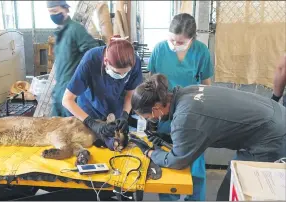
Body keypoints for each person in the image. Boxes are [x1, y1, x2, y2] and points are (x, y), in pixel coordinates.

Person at [129, 74, 286, 201]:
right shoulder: (188, 92)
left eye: (147, 116)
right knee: (230, 190)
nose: (148, 120)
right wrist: (168, 138)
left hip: (272, 137)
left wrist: (149, 152)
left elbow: (178, 161)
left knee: (235, 193)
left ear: (156, 109)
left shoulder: (185, 118)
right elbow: (202, 128)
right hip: (275, 115)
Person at [147, 13, 214, 201]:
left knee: (196, 166)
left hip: (193, 114)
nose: (174, 45)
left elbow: (207, 84)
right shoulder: (160, 49)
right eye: (171, 40)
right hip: (165, 114)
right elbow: (151, 83)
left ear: (192, 38)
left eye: (180, 42)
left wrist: (208, 113)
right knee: (168, 165)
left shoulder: (201, 51)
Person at [62, 37, 143, 150]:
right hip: (88, 113)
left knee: (118, 145)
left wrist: (125, 115)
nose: (121, 76)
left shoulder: (135, 62)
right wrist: (92, 123)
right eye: (116, 72)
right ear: (105, 61)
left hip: (116, 113)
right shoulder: (90, 60)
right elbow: (67, 100)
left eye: (125, 73)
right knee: (88, 145)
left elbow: (131, 93)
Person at [47, 1, 99, 117]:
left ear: (65, 9)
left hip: (72, 91)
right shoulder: (60, 33)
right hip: (59, 90)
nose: (53, 14)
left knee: (73, 130)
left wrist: (83, 80)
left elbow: (93, 53)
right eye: (50, 12)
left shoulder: (76, 30)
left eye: (55, 11)